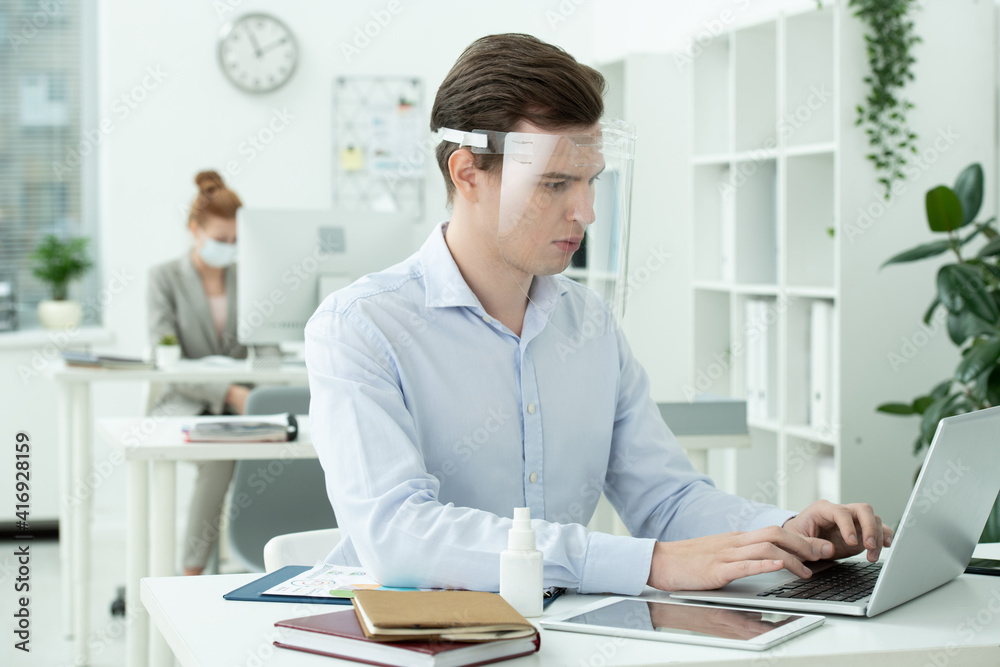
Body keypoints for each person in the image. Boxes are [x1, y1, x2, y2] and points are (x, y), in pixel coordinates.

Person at [304, 33, 892, 595]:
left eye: (591, 183)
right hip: (414, 640)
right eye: (555, 184)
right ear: (468, 174)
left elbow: (666, 500)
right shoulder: (361, 327)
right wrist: (650, 564)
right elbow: (399, 536)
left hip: (566, 635)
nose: (584, 213)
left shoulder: (587, 323)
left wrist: (785, 531)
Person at [148, 170, 251, 576]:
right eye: (220, 240)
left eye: (235, 241)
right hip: (183, 401)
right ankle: (191, 572)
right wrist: (228, 391)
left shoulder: (249, 277)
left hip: (241, 401)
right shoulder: (165, 279)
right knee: (219, 458)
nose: (229, 249)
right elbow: (166, 359)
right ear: (195, 230)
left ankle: (266, 561)